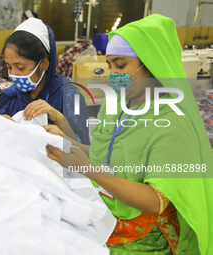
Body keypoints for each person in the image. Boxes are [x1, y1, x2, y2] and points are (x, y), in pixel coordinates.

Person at [45, 14, 213, 254]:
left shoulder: (173, 123)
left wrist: (88, 169)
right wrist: (59, 141)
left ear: (150, 64)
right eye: (110, 66)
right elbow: (104, 157)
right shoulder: (117, 106)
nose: (113, 75)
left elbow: (156, 200)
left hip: (144, 238)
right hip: (104, 215)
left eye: (121, 66)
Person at [0, 18, 90, 145]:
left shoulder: (70, 96)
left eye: (20, 67)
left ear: (44, 64)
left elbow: (86, 151)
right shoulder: (10, 98)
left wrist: (59, 120)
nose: (13, 74)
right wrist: (0, 125)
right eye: (9, 67)